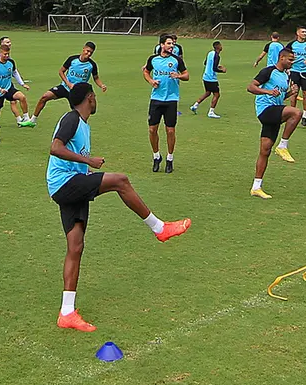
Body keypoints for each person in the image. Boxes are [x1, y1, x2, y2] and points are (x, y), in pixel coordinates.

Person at [48, 82, 191, 332]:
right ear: (90, 98)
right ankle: (159, 228)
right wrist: (88, 161)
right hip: (64, 183)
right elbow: (55, 148)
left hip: (71, 182)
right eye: (94, 97)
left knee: (75, 246)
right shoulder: (72, 119)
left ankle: (67, 312)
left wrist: (84, 168)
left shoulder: (83, 124)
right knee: (120, 180)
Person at [247, 49, 303, 199]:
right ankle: (283, 146)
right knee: (296, 113)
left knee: (265, 151)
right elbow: (251, 87)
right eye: (290, 59)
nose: (292, 62)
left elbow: (279, 96)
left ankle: (256, 187)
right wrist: (267, 91)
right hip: (265, 110)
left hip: (275, 112)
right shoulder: (268, 71)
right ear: (282, 57)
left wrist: (290, 93)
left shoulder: (285, 75)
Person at [143, 34, 189, 174]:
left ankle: (170, 158)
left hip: (171, 100)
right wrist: (151, 81)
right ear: (162, 45)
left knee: (170, 131)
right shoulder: (153, 59)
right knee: (152, 130)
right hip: (156, 99)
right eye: (169, 43)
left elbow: (186, 75)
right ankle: (156, 156)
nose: (171, 46)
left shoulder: (176, 60)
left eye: (172, 44)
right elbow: (146, 71)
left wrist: (178, 76)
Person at [31, 42, 107, 125]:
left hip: (77, 92)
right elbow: (61, 71)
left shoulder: (92, 65)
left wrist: (101, 85)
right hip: (65, 87)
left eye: (91, 53)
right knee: (44, 97)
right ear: (83, 48)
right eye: (87, 51)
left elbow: (96, 78)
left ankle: (80, 128)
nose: (88, 54)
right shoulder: (72, 59)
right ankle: (33, 120)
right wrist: (68, 84)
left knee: (79, 114)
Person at [0, 44, 32, 142]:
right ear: (0, 53)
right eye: (5, 54)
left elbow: (15, 73)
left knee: (22, 97)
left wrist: (22, 84)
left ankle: (26, 118)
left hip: (8, 88)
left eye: (8, 54)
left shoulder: (11, 62)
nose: (7, 56)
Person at [286, 26, 306, 127]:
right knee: (294, 93)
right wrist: (288, 65)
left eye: (305, 32)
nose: (304, 34)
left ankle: (305, 116)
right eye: (302, 32)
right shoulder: (291, 45)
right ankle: (292, 114)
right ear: (297, 33)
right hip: (294, 71)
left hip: (305, 72)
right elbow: (285, 56)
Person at [190, 41, 226, 118]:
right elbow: (214, 68)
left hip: (205, 77)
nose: (222, 47)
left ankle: (195, 106)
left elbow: (205, 63)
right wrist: (222, 70)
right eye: (221, 45)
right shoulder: (217, 56)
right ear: (218, 47)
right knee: (217, 94)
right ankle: (211, 112)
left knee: (208, 92)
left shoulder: (210, 53)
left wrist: (217, 66)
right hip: (211, 78)